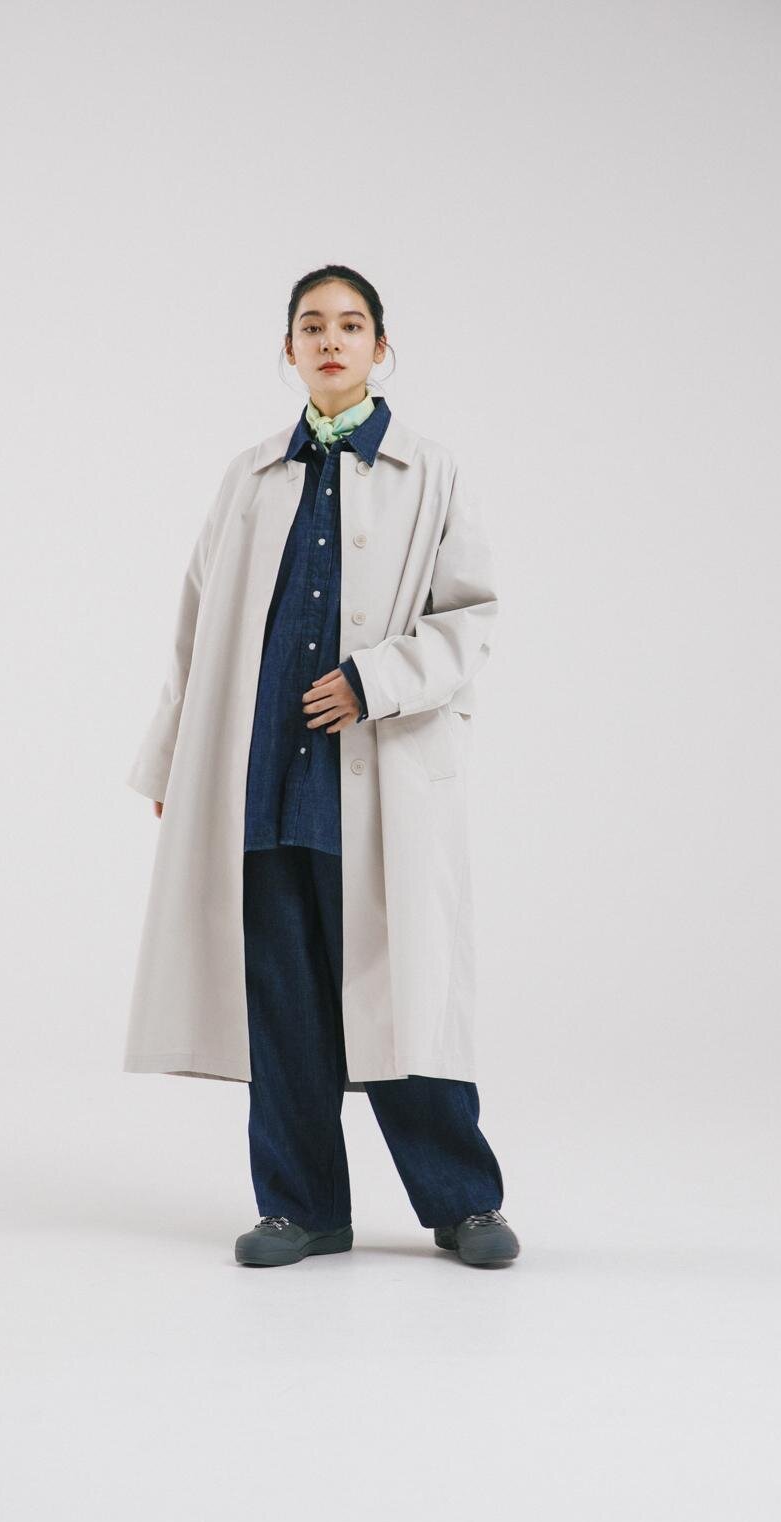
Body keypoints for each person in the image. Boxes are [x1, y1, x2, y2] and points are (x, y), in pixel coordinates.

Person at [125, 264, 520, 1269]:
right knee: (282, 999)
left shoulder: (430, 472)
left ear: (380, 348)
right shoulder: (250, 477)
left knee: (399, 989)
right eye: (312, 326)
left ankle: (462, 1203)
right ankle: (301, 1209)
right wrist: (173, 759)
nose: (331, 340)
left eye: (350, 325)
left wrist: (375, 679)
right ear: (289, 349)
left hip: (376, 772)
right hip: (261, 773)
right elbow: (194, 627)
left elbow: (469, 617)